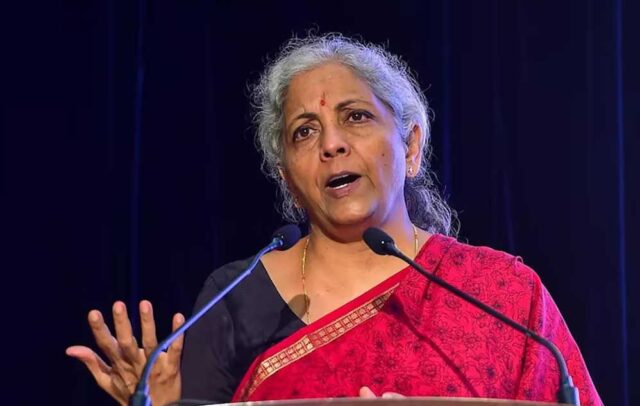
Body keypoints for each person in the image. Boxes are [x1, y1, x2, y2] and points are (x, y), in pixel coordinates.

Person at [66, 34, 602, 406]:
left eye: (356, 116)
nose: (332, 144)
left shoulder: (503, 295)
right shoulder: (237, 299)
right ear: (287, 179)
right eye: (304, 131)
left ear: (411, 147)